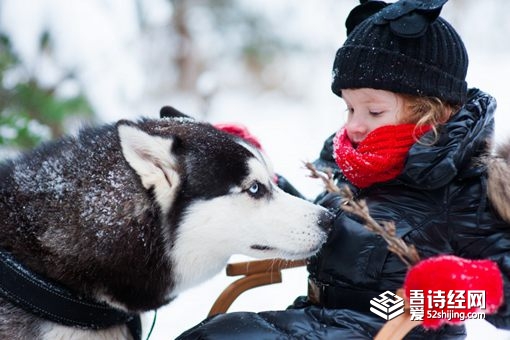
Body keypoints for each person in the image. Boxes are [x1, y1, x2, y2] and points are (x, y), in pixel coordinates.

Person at [177, 0, 510, 338]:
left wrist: (473, 287)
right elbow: (323, 227)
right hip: (319, 318)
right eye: (349, 108)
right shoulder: (353, 167)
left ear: (432, 112)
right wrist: (261, 183)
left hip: (394, 330)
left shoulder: (465, 185)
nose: (354, 125)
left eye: (374, 111)